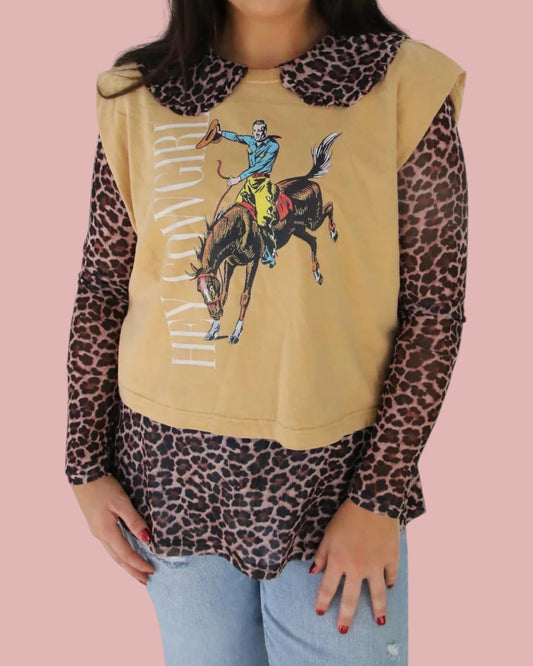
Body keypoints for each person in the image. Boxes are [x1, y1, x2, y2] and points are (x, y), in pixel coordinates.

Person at [65, 1, 468, 664]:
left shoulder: (405, 85)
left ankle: (276, 245)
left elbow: (433, 308)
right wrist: (84, 466)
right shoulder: (136, 96)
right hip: (169, 480)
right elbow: (104, 288)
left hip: (335, 483)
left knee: (257, 204)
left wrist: (378, 495)